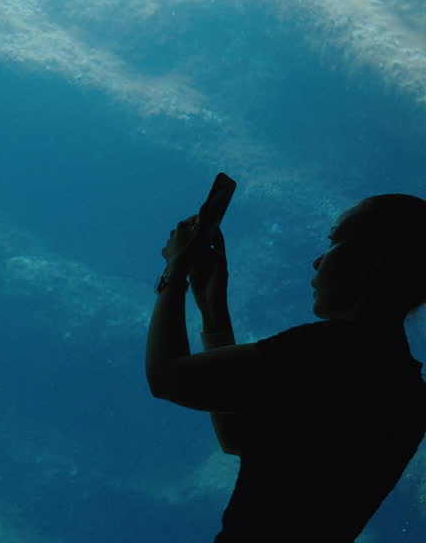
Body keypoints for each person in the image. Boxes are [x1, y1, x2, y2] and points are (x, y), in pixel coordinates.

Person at [146, 193, 426, 541]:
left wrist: (175, 271)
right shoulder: (406, 387)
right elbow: (240, 438)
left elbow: (166, 377)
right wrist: (212, 308)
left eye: (335, 241)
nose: (317, 261)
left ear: (372, 260)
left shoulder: (324, 353)